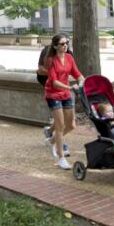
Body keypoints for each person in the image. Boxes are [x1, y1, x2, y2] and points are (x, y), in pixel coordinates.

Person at [38, 33, 83, 170]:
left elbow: (77, 73)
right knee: (60, 126)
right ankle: (61, 158)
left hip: (66, 93)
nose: (65, 46)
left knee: (71, 125)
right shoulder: (51, 60)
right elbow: (54, 82)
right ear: (56, 46)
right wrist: (70, 87)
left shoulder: (69, 57)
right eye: (62, 44)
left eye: (67, 43)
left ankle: (52, 141)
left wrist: (82, 81)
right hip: (53, 93)